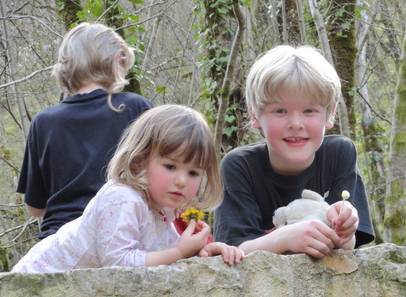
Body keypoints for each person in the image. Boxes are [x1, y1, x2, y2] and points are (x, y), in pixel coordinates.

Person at [12, 104, 244, 273]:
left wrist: (204, 252)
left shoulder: (165, 208)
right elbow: (117, 263)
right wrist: (180, 252)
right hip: (37, 282)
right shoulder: (122, 197)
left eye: (194, 172)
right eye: (170, 166)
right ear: (139, 160)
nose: (182, 181)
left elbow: (157, 257)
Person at [213, 45, 374, 258]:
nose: (296, 123)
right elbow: (233, 250)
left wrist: (346, 228)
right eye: (280, 111)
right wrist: (285, 238)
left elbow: (346, 248)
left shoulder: (339, 154)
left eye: (309, 111)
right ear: (255, 116)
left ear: (330, 114)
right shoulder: (238, 167)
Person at [17, 22, 153, 240]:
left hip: (61, 239)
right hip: (125, 233)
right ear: (118, 59)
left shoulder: (43, 122)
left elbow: (35, 208)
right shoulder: (137, 108)